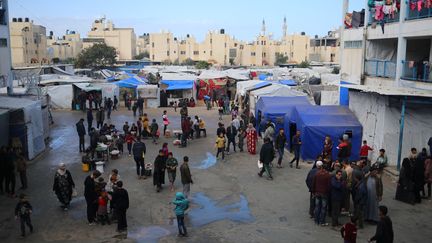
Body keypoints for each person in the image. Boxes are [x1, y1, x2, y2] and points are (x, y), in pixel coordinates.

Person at [312, 161, 331, 226]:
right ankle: (322, 221)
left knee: (317, 207)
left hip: (317, 193)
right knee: (323, 207)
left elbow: (314, 183)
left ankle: (316, 220)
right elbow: (329, 186)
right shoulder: (328, 175)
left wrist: (314, 192)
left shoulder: (317, 174)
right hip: (324, 193)